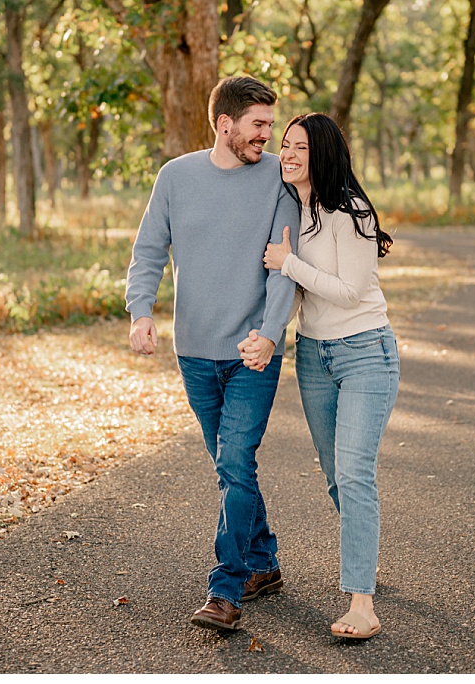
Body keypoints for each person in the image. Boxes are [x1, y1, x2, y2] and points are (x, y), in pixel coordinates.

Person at [125, 76, 300, 632]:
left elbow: (283, 266)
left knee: (233, 461)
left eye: (271, 126)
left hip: (254, 351)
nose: (268, 137)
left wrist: (271, 334)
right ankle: (265, 561)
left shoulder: (279, 177)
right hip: (195, 351)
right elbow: (149, 248)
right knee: (232, 466)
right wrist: (141, 312)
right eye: (259, 125)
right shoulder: (176, 177)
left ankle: (225, 589)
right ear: (225, 125)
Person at [241, 112, 398, 640]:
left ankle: (362, 603)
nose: (286, 154)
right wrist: (265, 333)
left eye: (298, 147)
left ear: (323, 154)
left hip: (364, 353)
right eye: (284, 145)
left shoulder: (350, 211)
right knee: (337, 477)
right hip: (314, 356)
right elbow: (292, 293)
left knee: (354, 475)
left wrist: (288, 263)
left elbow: (350, 290)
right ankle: (365, 556)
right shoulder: (294, 209)